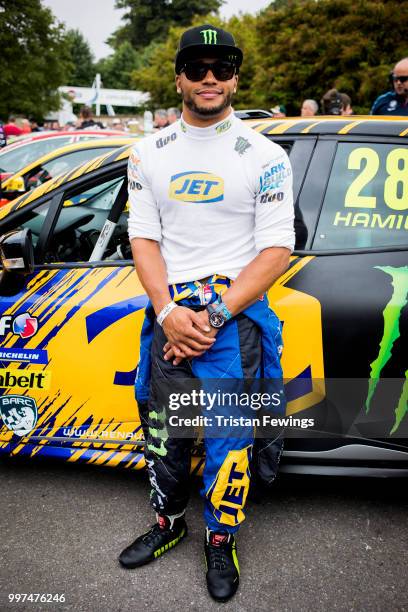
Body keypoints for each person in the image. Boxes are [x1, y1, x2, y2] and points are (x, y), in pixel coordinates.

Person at [121, 23, 294, 602]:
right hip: (169, 319)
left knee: (229, 438)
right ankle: (169, 524)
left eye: (222, 67)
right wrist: (169, 311)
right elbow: (143, 239)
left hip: (231, 322)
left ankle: (221, 537)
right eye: (197, 68)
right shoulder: (147, 153)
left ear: (236, 77)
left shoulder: (266, 155)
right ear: (180, 78)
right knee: (164, 431)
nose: (210, 77)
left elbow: (276, 251)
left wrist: (211, 319)